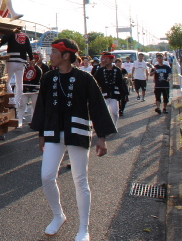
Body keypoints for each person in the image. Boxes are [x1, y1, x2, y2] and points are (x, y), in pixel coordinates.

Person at [30, 39, 116, 241]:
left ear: (66, 55)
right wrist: (41, 134)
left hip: (78, 132)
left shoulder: (85, 78)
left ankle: (84, 228)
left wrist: (102, 138)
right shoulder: (48, 78)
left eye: (54, 52)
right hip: (53, 132)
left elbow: (97, 107)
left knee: (80, 180)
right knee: (47, 176)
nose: (51, 55)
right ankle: (58, 215)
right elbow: (42, 106)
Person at [0, 28, 33, 107]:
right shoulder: (25, 36)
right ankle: (16, 101)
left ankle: (12, 99)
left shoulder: (11, 34)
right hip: (22, 62)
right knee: (19, 83)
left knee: (6, 81)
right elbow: (29, 48)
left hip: (12, 60)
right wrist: (31, 58)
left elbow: (3, 41)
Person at [92, 51, 124, 127]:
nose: (105, 60)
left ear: (111, 59)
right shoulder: (100, 70)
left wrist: (122, 94)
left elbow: (120, 82)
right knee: (104, 112)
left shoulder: (117, 70)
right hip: (104, 93)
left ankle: (114, 125)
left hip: (114, 94)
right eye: (104, 58)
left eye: (107, 58)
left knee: (114, 112)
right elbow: (95, 80)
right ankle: (105, 127)